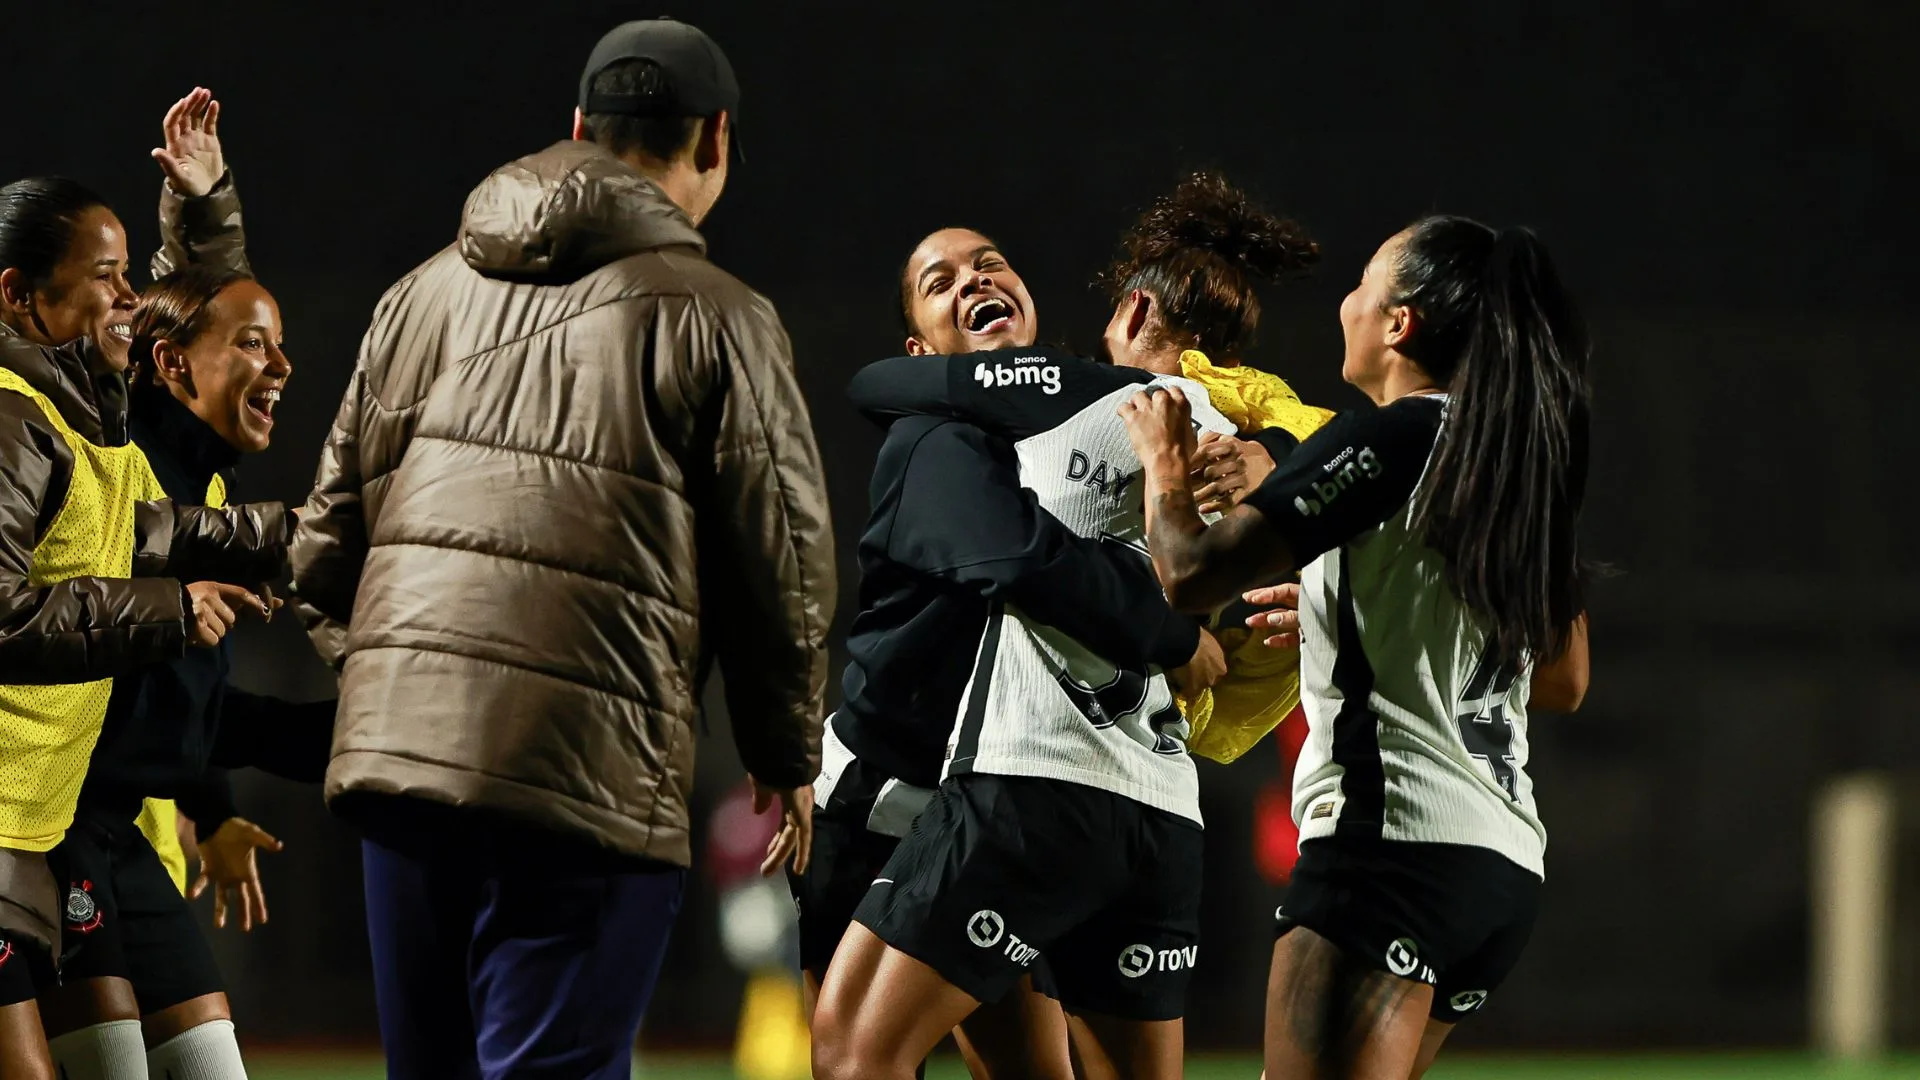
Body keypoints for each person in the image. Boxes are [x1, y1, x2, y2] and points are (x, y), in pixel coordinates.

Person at [288, 18, 835, 1080]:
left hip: (400, 778)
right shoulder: (720, 316)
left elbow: (318, 547)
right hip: (581, 771)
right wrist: (785, 749)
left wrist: (397, 679)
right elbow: (784, 561)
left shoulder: (416, 296)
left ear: (577, 127)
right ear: (717, 141)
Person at [815, 178, 1320, 1080]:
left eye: (990, 264)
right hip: (1163, 808)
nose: (974, 280)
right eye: (945, 280)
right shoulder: (1244, 437)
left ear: (1126, 306)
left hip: (1020, 788)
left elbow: (1012, 550)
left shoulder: (1032, 414)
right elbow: (1344, 466)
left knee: (854, 1051)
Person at [1113, 215, 1593, 1078]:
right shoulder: (1516, 461)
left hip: (1389, 854)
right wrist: (1345, 607)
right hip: (1501, 868)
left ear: (1398, 322)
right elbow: (1560, 679)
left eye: (1362, 286)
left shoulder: (1387, 436)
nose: (1346, 305)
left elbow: (1187, 574)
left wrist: (1161, 457)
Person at [0, 90, 290, 1078]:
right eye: (105, 280)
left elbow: (150, 549)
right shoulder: (39, 419)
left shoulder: (103, 428)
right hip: (43, 819)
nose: (278, 366)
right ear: (20, 296)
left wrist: (291, 541)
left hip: (82, 823)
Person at [41, 267, 337, 1080]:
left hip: (117, 828)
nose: (281, 365)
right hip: (47, 826)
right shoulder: (115, 459)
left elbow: (180, 702)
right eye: (254, 344)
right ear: (170, 365)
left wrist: (212, 803)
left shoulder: (203, 482)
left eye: (280, 344)